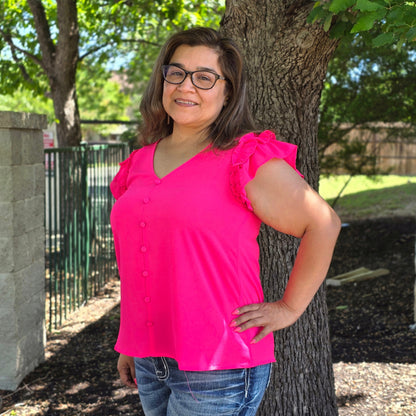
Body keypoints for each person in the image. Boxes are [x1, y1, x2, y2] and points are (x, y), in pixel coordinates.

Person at [110, 27, 341, 416]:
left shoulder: (244, 158)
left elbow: (324, 223)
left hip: (219, 365)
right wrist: (129, 343)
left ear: (228, 93)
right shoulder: (137, 163)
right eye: (176, 73)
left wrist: (289, 308)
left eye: (204, 77)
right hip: (150, 360)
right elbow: (141, 260)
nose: (186, 86)